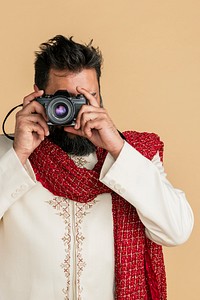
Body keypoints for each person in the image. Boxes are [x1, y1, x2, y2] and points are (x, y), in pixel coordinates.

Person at [0, 35, 194, 300]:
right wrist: (18, 154)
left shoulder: (135, 156)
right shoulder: (7, 153)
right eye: (62, 99)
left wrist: (118, 148)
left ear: (100, 96)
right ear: (38, 95)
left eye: (86, 97)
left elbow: (177, 230)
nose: (73, 111)